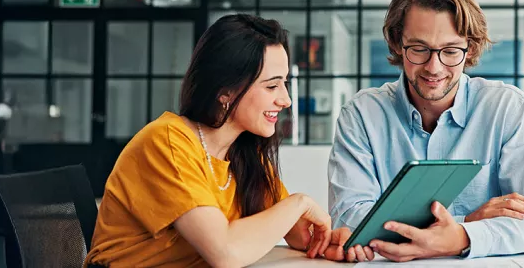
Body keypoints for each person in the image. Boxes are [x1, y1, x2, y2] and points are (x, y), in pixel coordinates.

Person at [325, 0, 524, 262]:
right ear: (397, 42)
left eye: (450, 51)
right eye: (419, 49)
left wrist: (460, 237)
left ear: (470, 48)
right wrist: (468, 222)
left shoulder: (507, 108)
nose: (434, 68)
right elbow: (349, 220)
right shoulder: (361, 115)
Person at [87, 14, 345, 268]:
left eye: (284, 83)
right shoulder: (167, 142)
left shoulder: (243, 152)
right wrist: (300, 203)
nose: (286, 100)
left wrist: (334, 241)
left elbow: (299, 234)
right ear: (225, 92)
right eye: (271, 86)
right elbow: (225, 252)